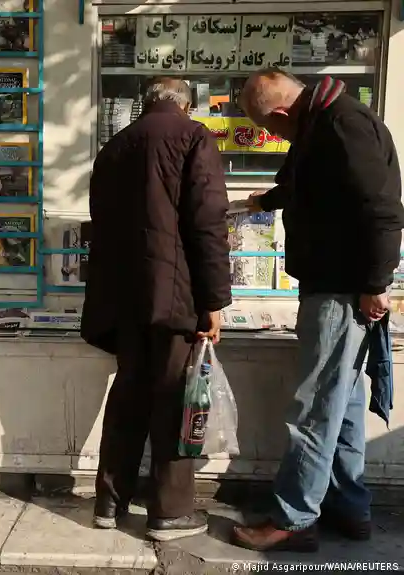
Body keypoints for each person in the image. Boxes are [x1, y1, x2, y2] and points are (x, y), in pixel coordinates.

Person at [232, 69, 404, 552]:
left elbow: (382, 209)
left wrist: (375, 284)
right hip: (337, 287)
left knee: (313, 408)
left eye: (269, 127)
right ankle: (350, 507)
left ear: (281, 113)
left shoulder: (342, 125)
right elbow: (308, 184)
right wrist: (263, 201)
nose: (273, 136)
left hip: (342, 290)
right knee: (340, 405)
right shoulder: (320, 123)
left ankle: (295, 517)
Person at [80, 77, 232, 542]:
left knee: (128, 396)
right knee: (175, 400)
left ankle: (109, 502)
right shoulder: (194, 136)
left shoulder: (114, 147)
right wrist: (214, 301)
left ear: (146, 104)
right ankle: (169, 513)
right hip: (177, 298)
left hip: (125, 299)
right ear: (186, 104)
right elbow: (208, 222)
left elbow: (101, 224)